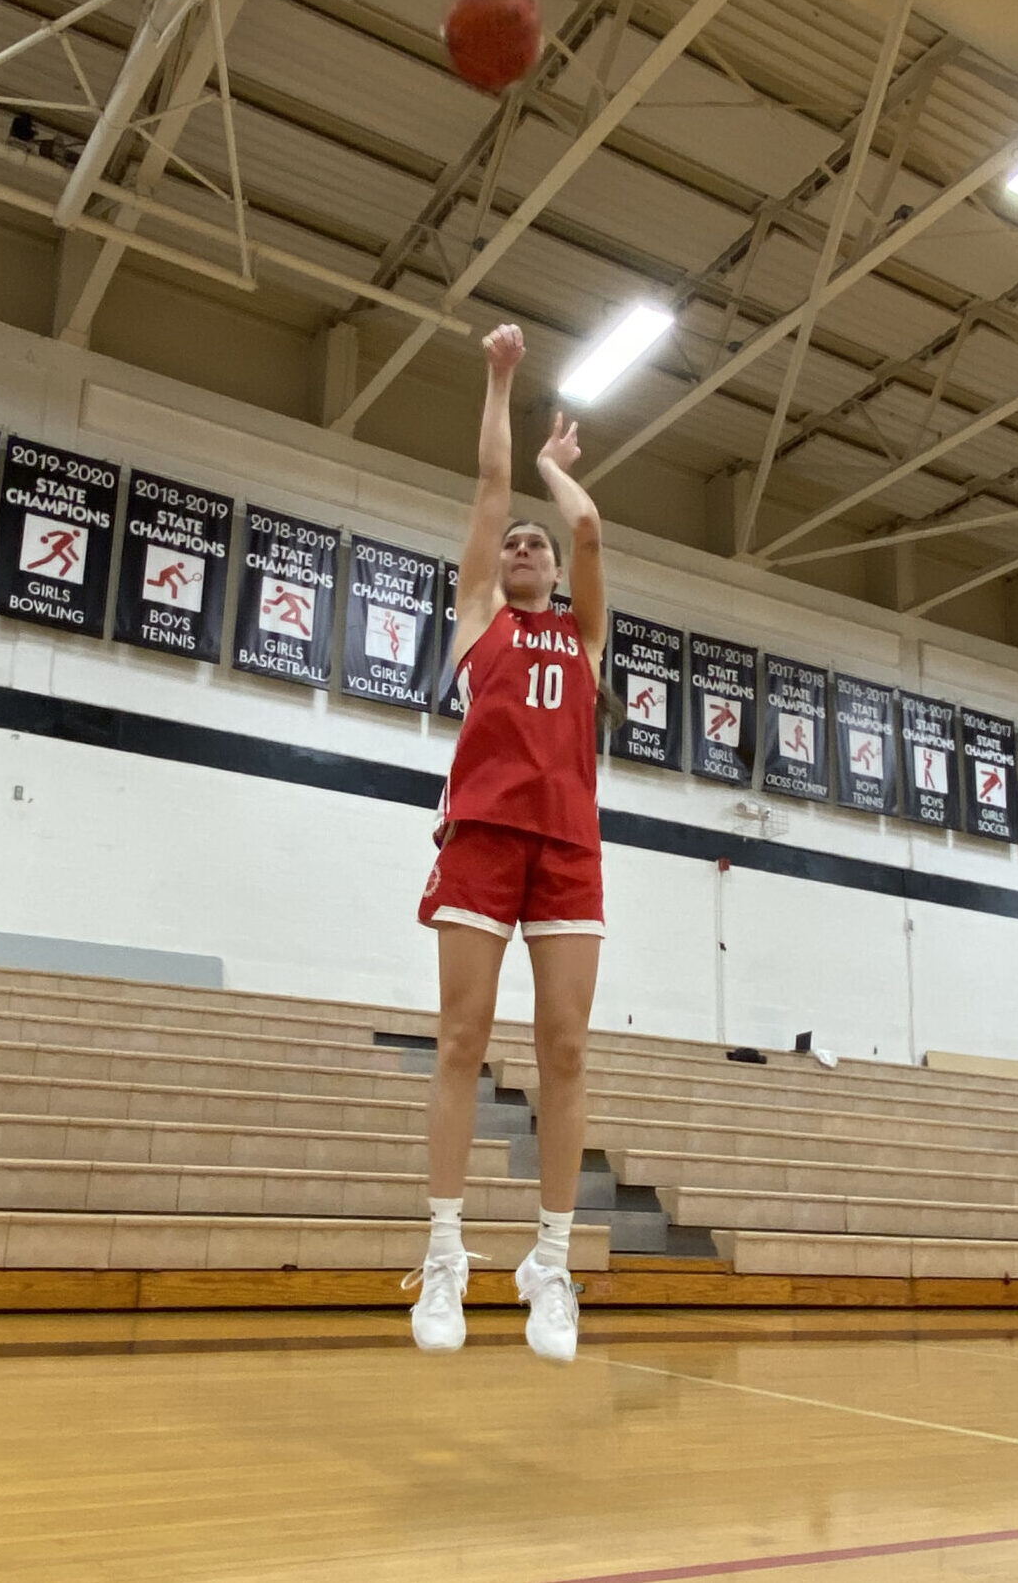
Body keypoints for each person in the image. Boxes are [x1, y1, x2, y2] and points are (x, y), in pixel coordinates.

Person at [403, 323, 607, 1363]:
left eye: (535, 542)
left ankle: (550, 1259)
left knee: (566, 1049)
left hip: (567, 845)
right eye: (514, 541)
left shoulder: (584, 635)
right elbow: (487, 490)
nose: (524, 543)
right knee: (460, 1038)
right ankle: (445, 1247)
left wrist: (551, 473)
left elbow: (591, 533)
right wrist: (500, 383)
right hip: (482, 834)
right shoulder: (480, 615)